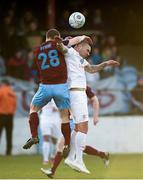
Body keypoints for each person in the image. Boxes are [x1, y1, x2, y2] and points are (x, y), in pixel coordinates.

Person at [41, 37, 119, 175]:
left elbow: (92, 69)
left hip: (76, 94)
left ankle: (71, 158)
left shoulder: (80, 59)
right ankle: (79, 160)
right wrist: (67, 40)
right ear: (79, 46)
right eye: (87, 49)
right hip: (76, 93)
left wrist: (105, 64)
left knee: (77, 128)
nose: (89, 52)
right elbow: (60, 46)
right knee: (84, 127)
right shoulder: (70, 52)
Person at [23, 29, 91, 156]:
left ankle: (34, 136)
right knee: (64, 117)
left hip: (45, 86)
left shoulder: (37, 50)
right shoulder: (58, 44)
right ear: (56, 37)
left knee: (33, 109)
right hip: (61, 86)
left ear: (46, 38)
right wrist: (83, 36)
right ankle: (66, 144)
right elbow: (73, 41)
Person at [41, 86, 109, 178]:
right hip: (68, 120)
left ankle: (52, 170)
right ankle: (102, 154)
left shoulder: (81, 85)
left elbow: (95, 99)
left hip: (76, 120)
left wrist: (96, 116)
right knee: (78, 146)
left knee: (63, 144)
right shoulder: (64, 86)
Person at [39, 100, 63, 165]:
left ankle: (52, 155)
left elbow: (62, 106)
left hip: (55, 118)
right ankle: (45, 159)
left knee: (55, 140)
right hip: (45, 117)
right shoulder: (43, 93)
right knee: (46, 137)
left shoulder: (58, 93)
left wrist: (58, 108)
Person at [0, 79, 17, 155]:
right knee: (9, 134)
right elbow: (15, 105)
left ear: (3, 83)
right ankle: (8, 151)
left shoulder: (1, 91)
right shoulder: (12, 93)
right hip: (10, 116)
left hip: (2, 115)